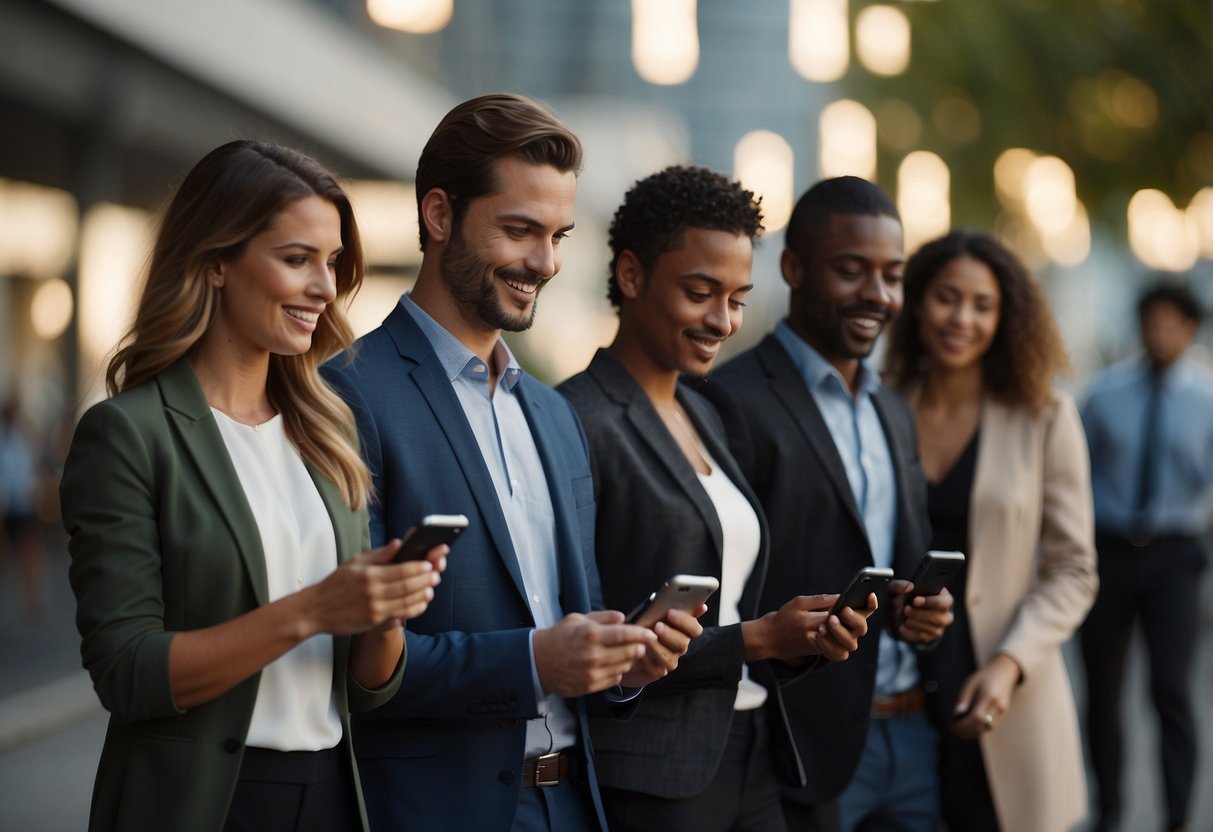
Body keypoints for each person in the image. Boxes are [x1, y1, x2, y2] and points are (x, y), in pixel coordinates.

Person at [322, 94, 699, 832]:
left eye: (557, 234)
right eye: (520, 230)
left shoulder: (553, 416)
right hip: (439, 812)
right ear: (439, 217)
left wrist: (625, 661)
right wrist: (533, 662)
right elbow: (349, 655)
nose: (546, 262)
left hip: (574, 804)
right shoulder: (346, 396)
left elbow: (571, 627)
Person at [59, 140, 445, 832]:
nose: (325, 289)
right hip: (203, 805)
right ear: (215, 263)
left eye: (331, 263)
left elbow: (368, 688)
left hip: (330, 794)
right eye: (297, 259)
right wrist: (316, 608)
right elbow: (128, 673)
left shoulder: (330, 433)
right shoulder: (128, 435)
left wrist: (382, 611)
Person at [558, 166, 874, 832]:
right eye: (700, 292)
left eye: (736, 297)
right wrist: (758, 638)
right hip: (652, 774)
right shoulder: (577, 419)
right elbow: (584, 629)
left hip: (752, 747)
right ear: (631, 275)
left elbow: (727, 604)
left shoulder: (704, 412)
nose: (723, 321)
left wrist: (793, 639)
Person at [698, 176, 954, 832]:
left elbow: (893, 558)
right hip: (799, 745)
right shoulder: (728, 399)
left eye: (892, 275)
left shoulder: (893, 410)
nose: (877, 294)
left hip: (913, 733)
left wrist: (910, 608)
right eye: (851, 270)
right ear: (792, 268)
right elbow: (727, 589)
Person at [883, 230, 1098, 831]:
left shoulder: (1045, 415)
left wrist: (1010, 662)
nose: (962, 319)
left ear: (1007, 319)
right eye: (947, 297)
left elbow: (1074, 570)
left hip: (1003, 692)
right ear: (918, 300)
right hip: (895, 696)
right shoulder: (882, 404)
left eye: (983, 305)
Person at [1080, 279, 1213, 832]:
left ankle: (1177, 817)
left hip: (1175, 553)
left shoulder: (1207, 400)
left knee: (1171, 690)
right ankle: (1109, 808)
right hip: (1110, 550)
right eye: (1151, 322)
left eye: (1171, 323)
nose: (1160, 334)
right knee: (1103, 688)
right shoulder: (1104, 394)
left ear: (1189, 329)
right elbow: (1076, 472)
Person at [0, 396, 46, 620]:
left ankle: (32, 595)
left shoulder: (24, 435)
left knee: (28, 551)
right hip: (6, 505)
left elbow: (34, 461)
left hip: (24, 502)